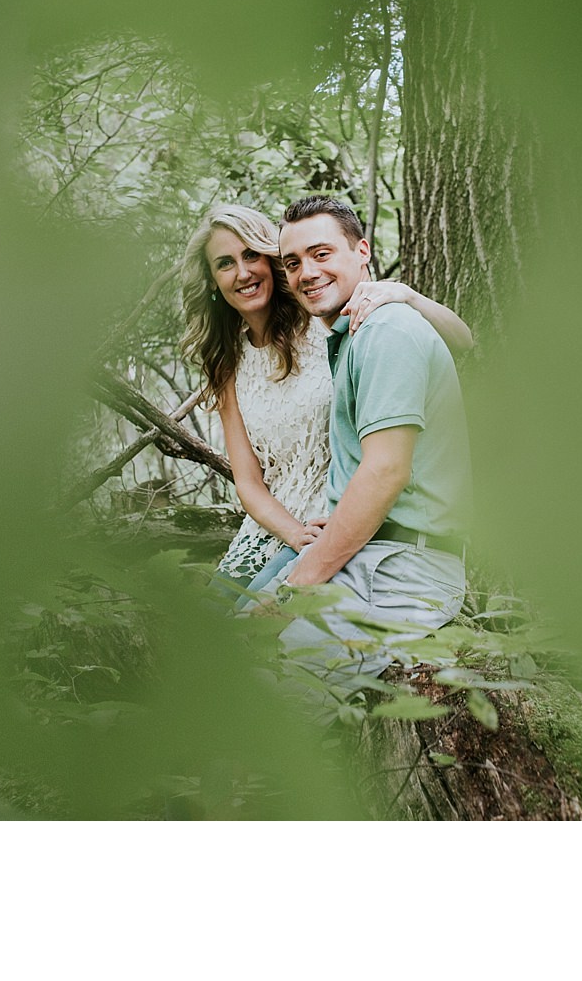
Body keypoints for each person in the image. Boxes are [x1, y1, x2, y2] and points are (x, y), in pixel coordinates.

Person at [178, 205, 472, 602]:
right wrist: (293, 533)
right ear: (213, 281)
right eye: (225, 263)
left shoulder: (326, 315)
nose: (243, 273)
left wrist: (407, 294)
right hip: (278, 524)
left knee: (257, 629)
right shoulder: (228, 362)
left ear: (272, 263)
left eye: (251, 255)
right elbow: (247, 482)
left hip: (339, 518)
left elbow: (461, 342)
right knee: (210, 624)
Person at [267, 196, 474, 698]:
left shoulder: (384, 330)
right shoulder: (355, 333)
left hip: (402, 572)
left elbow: (386, 473)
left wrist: (296, 590)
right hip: (372, 552)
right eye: (293, 263)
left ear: (362, 252)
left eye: (321, 254)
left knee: (270, 701)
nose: (306, 272)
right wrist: (338, 517)